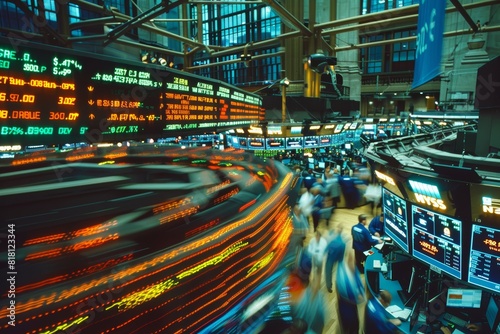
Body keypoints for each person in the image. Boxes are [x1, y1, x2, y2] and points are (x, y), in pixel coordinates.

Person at [335, 250, 365, 334]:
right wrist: (359, 296)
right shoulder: (345, 279)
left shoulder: (345, 268)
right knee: (352, 327)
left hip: (348, 305)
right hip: (347, 308)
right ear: (349, 259)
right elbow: (360, 298)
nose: (355, 261)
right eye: (353, 259)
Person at [324, 225, 347, 293]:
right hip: (337, 259)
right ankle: (338, 286)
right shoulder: (343, 243)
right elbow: (342, 254)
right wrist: (341, 260)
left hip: (330, 259)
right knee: (338, 273)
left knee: (328, 272)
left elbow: (326, 248)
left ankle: (329, 286)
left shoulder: (332, 238)